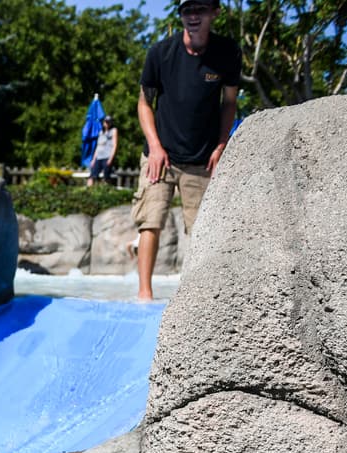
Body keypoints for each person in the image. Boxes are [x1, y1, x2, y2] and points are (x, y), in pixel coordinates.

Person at [132, 0, 239, 300]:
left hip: (202, 158)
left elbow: (229, 103)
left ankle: (197, 302)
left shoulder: (227, 53)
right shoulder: (160, 53)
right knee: (150, 221)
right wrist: (154, 146)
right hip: (160, 154)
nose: (193, 16)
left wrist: (222, 144)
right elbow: (144, 103)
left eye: (200, 9)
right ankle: (144, 296)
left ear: (214, 12)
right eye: (187, 10)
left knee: (203, 231)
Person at [87, 117, 118, 187]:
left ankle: (106, 192)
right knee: (92, 176)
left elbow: (115, 145)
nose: (107, 123)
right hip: (98, 157)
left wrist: (111, 158)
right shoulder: (101, 132)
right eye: (105, 122)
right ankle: (88, 193)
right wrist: (93, 159)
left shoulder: (113, 130)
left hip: (107, 156)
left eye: (108, 122)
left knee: (106, 176)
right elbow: (98, 147)